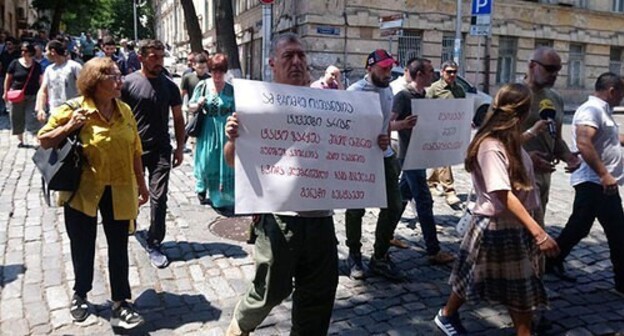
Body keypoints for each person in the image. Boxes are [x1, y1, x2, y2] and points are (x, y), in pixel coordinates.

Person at [223, 33, 338, 336]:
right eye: (289, 56)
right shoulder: (256, 106)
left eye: (301, 55)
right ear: (273, 63)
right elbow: (233, 161)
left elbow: (351, 151)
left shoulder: (328, 104)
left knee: (319, 292)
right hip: (279, 218)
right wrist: (233, 140)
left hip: (320, 217)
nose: (297, 62)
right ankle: (241, 325)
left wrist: (374, 144)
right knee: (271, 289)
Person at [434, 83, 560, 336]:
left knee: (471, 274)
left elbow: (514, 145)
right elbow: (502, 193)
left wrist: (531, 151)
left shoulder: (507, 138)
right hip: (499, 224)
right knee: (519, 288)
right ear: (521, 113)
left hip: (513, 222)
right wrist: (539, 233)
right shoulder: (490, 145)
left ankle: (446, 314)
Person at [37, 57, 149, 329]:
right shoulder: (75, 109)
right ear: (96, 83)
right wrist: (71, 126)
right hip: (83, 190)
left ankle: (121, 302)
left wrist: (142, 185)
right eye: (114, 77)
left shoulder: (124, 110)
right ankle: (80, 294)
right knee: (82, 245)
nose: (120, 81)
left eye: (119, 76)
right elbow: (43, 139)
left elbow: (135, 149)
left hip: (120, 188)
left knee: (119, 247)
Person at [547, 73, 624, 295]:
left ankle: (549, 262)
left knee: (578, 228)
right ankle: (622, 282)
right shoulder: (591, 110)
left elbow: (607, 139)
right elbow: (583, 141)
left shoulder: (601, 111)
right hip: (595, 183)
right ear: (612, 91)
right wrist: (604, 174)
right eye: (621, 93)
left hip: (597, 183)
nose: (622, 98)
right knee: (618, 233)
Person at [121, 39, 184, 269]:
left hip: (161, 150)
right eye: (154, 57)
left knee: (159, 196)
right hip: (133, 150)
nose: (159, 61)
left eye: (161, 57)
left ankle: (155, 241)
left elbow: (178, 118)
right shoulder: (127, 84)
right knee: (134, 193)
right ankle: (131, 222)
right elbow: (117, 116)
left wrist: (179, 147)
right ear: (141, 57)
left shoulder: (170, 86)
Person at [521, 47, 581, 281]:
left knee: (537, 226)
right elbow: (495, 138)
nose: (555, 74)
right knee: (529, 232)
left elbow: (556, 139)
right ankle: (526, 289)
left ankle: (529, 281)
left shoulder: (554, 98)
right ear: (532, 65)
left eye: (558, 70)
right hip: (518, 175)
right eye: (550, 69)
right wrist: (527, 157)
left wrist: (569, 156)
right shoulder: (516, 95)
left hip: (545, 177)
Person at [345, 49, 404, 281]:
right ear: (370, 68)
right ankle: (354, 254)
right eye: (384, 68)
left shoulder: (388, 90)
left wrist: (386, 138)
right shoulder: (354, 92)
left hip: (385, 155)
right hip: (360, 158)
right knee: (356, 208)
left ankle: (379, 255)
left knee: (395, 205)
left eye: (391, 67)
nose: (389, 72)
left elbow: (386, 123)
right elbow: (343, 129)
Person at [391, 57, 455, 265]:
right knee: (424, 201)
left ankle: (386, 235)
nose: (433, 75)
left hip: (420, 154)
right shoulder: (403, 96)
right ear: (419, 74)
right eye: (429, 71)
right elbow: (389, 124)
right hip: (409, 155)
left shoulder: (425, 96)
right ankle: (433, 250)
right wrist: (403, 123)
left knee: (402, 195)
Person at [188, 53, 234, 210]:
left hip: (225, 131)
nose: (217, 75)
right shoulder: (203, 86)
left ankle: (220, 197)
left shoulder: (231, 89)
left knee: (224, 163)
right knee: (206, 162)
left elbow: (237, 110)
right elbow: (190, 106)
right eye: (214, 71)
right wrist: (199, 104)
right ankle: (201, 187)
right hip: (208, 130)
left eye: (221, 71)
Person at [426, 60, 465, 207]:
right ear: (442, 72)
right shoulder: (434, 90)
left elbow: (462, 108)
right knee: (444, 158)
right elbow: (426, 109)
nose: (452, 75)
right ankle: (449, 190)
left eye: (454, 72)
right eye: (449, 72)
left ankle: (430, 182)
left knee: (442, 159)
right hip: (437, 129)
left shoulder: (459, 90)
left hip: (453, 129)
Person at [4, 41, 43, 147]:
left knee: (33, 117)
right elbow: (8, 78)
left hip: (33, 94)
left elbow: (41, 81)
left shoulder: (37, 66)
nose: (22, 52)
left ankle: (35, 138)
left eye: (25, 51)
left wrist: (43, 94)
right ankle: (20, 139)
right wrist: (5, 92)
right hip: (16, 95)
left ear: (31, 52)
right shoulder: (15, 63)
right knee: (17, 116)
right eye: (21, 50)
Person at [35, 40, 82, 121]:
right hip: (54, 112)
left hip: (73, 112)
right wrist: (40, 109)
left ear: (53, 51)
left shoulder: (74, 67)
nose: (45, 54)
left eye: (46, 51)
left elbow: (84, 88)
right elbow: (43, 91)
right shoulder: (49, 69)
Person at [180, 53, 210, 122]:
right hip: (192, 111)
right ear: (194, 66)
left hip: (207, 112)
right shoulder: (187, 78)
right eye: (199, 68)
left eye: (204, 68)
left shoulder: (209, 78)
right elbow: (182, 94)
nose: (202, 70)